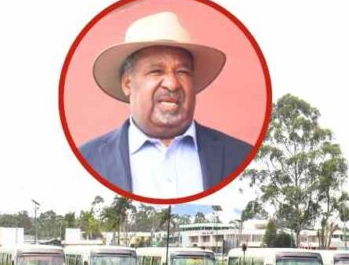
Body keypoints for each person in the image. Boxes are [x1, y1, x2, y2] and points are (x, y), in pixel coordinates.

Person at [79, 11, 253, 199]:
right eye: (156, 71)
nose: (172, 83)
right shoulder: (88, 160)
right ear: (128, 83)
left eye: (182, 71)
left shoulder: (241, 157)